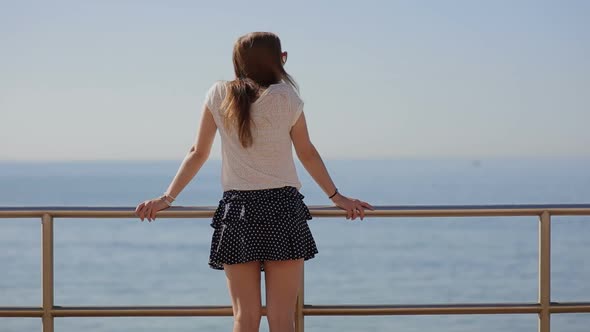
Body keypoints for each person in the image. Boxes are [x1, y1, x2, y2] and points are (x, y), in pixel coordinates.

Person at [135, 31, 373, 332]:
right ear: (280, 60)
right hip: (283, 211)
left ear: (237, 62)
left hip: (239, 213)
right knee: (281, 318)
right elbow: (307, 153)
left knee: (245, 317)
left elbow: (197, 152)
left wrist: (166, 198)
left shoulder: (218, 94)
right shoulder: (288, 98)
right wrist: (337, 197)